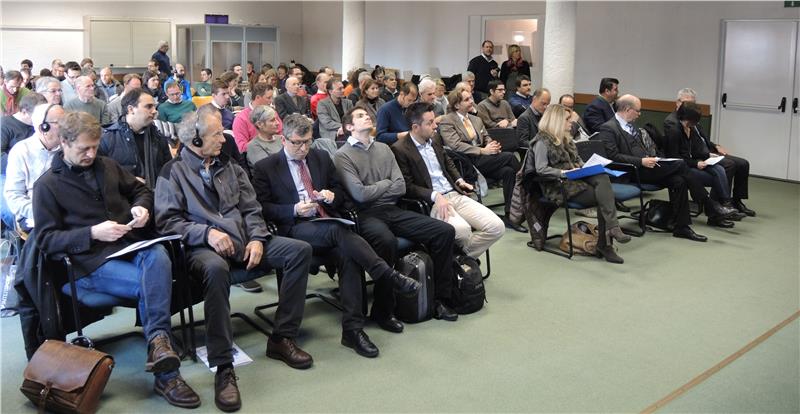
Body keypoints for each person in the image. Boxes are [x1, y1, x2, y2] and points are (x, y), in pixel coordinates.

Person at [35, 112, 199, 409]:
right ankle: (166, 370)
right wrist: (92, 233)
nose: (91, 154)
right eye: (84, 148)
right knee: (155, 279)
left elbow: (141, 190)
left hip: (128, 247)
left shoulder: (107, 165)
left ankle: (159, 347)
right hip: (88, 264)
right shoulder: (47, 185)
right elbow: (46, 240)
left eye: (95, 146)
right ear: (64, 142)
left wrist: (141, 208)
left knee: (157, 254)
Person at [155, 105, 313, 412]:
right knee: (216, 270)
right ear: (195, 140)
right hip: (202, 248)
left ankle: (282, 338)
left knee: (299, 251)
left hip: (243, 241)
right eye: (216, 134)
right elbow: (167, 222)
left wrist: (257, 238)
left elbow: (252, 208)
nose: (223, 139)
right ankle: (224, 366)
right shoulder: (172, 172)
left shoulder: (229, 165)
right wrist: (206, 233)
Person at [251, 114, 420, 357]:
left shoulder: (320, 157)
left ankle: (352, 330)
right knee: (341, 232)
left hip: (327, 221)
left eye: (307, 142)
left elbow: (340, 192)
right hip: (296, 228)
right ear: (283, 139)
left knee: (348, 253)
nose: (303, 148)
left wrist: (331, 196)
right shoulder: (266, 167)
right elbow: (263, 207)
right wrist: (293, 209)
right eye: (297, 143)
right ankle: (387, 274)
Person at [335, 106, 460, 328]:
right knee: (386, 242)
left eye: (367, 114)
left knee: (444, 231)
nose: (367, 116)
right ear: (349, 126)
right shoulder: (342, 155)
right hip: (365, 214)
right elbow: (359, 195)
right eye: (360, 116)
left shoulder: (384, 148)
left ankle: (440, 299)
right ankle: (383, 311)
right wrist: (386, 183)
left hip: (392, 208)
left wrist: (376, 188)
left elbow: (401, 186)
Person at [392, 102, 504, 260]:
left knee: (496, 227)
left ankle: (458, 260)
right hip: (432, 201)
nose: (435, 126)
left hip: (454, 193)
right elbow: (407, 186)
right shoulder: (400, 149)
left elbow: (448, 162)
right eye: (430, 123)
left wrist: (459, 180)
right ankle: (458, 263)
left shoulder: (434, 139)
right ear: (415, 127)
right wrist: (435, 196)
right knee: (463, 231)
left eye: (434, 121)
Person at [595, 94, 710, 242]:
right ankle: (708, 203)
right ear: (627, 109)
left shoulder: (631, 125)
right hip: (631, 171)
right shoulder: (608, 128)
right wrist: (641, 161)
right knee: (680, 164)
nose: (640, 114)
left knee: (678, 180)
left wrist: (653, 158)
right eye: (638, 111)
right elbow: (612, 157)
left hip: (647, 167)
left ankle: (682, 227)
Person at [529, 104, 631, 263]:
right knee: (604, 198)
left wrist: (585, 167)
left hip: (576, 178)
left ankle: (611, 232)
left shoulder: (566, 138)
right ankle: (606, 243)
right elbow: (541, 169)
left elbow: (578, 160)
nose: (571, 122)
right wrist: (563, 173)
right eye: (567, 119)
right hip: (559, 185)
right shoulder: (542, 141)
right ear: (556, 120)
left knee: (602, 176)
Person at [439, 88, 526, 233]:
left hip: (484, 158)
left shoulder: (476, 119)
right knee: (510, 157)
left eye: (471, 98)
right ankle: (527, 186)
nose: (471, 101)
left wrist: (492, 145)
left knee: (508, 171)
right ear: (456, 105)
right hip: (467, 161)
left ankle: (511, 215)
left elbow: (486, 137)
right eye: (467, 99)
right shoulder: (447, 121)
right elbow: (455, 145)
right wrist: (482, 151)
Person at [664, 88, 754, 216]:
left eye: (692, 103)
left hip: (706, 152)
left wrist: (715, 146)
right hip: (696, 157)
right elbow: (681, 152)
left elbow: (701, 140)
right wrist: (698, 160)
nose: (689, 106)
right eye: (686, 103)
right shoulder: (674, 123)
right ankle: (718, 206)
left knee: (743, 164)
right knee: (728, 166)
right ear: (678, 102)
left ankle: (734, 201)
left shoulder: (692, 117)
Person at [4, 103, 65, 232]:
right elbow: (14, 196)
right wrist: (42, 212)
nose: (67, 127)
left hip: (67, 210)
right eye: (60, 122)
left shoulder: (68, 148)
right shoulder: (21, 151)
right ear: (43, 127)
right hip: (34, 213)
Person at [100, 88, 171, 188]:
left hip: (156, 193)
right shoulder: (108, 138)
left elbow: (168, 170)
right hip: (124, 195)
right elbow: (100, 175)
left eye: (154, 106)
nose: (154, 111)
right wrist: (126, 180)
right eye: (149, 106)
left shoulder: (158, 137)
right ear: (131, 109)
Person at [233, 82, 281, 153]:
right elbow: (242, 147)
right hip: (256, 154)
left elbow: (281, 134)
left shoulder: (272, 112)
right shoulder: (241, 119)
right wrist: (266, 145)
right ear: (258, 97)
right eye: (268, 98)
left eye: (272, 98)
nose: (271, 101)